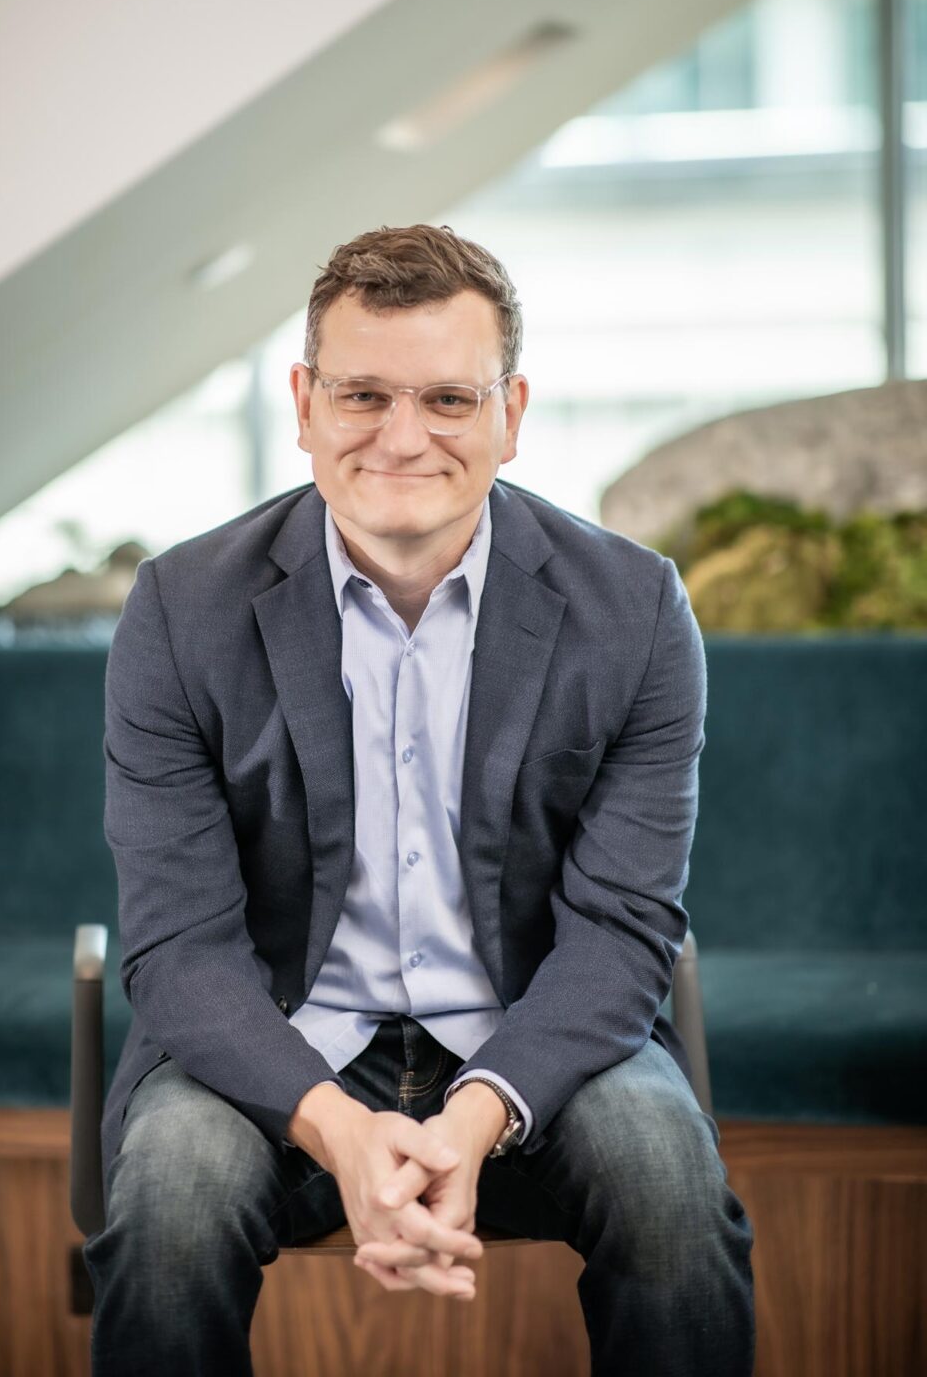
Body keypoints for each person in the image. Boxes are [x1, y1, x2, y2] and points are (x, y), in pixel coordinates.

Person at [84, 223, 755, 1376]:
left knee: (667, 1182)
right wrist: (340, 1130)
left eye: (449, 398)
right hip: (275, 1039)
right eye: (361, 395)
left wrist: (474, 1115)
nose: (405, 437)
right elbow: (180, 948)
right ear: (302, 404)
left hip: (535, 1036)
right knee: (173, 1195)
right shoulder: (179, 610)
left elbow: (621, 932)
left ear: (510, 411)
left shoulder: (635, 609)